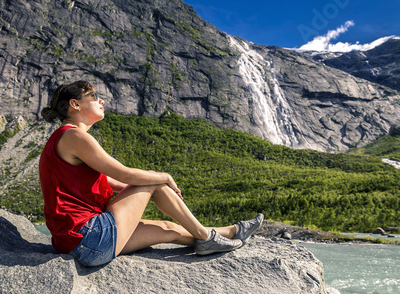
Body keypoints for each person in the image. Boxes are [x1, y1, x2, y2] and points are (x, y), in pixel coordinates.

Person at [39, 80, 264, 267]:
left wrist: (148, 186)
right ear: (75, 104)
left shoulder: (64, 138)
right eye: (94, 96)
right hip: (91, 237)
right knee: (150, 180)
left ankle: (233, 231)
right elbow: (126, 175)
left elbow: (110, 180)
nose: (101, 100)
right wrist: (162, 178)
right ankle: (206, 238)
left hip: (77, 244)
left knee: (168, 229)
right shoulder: (74, 136)